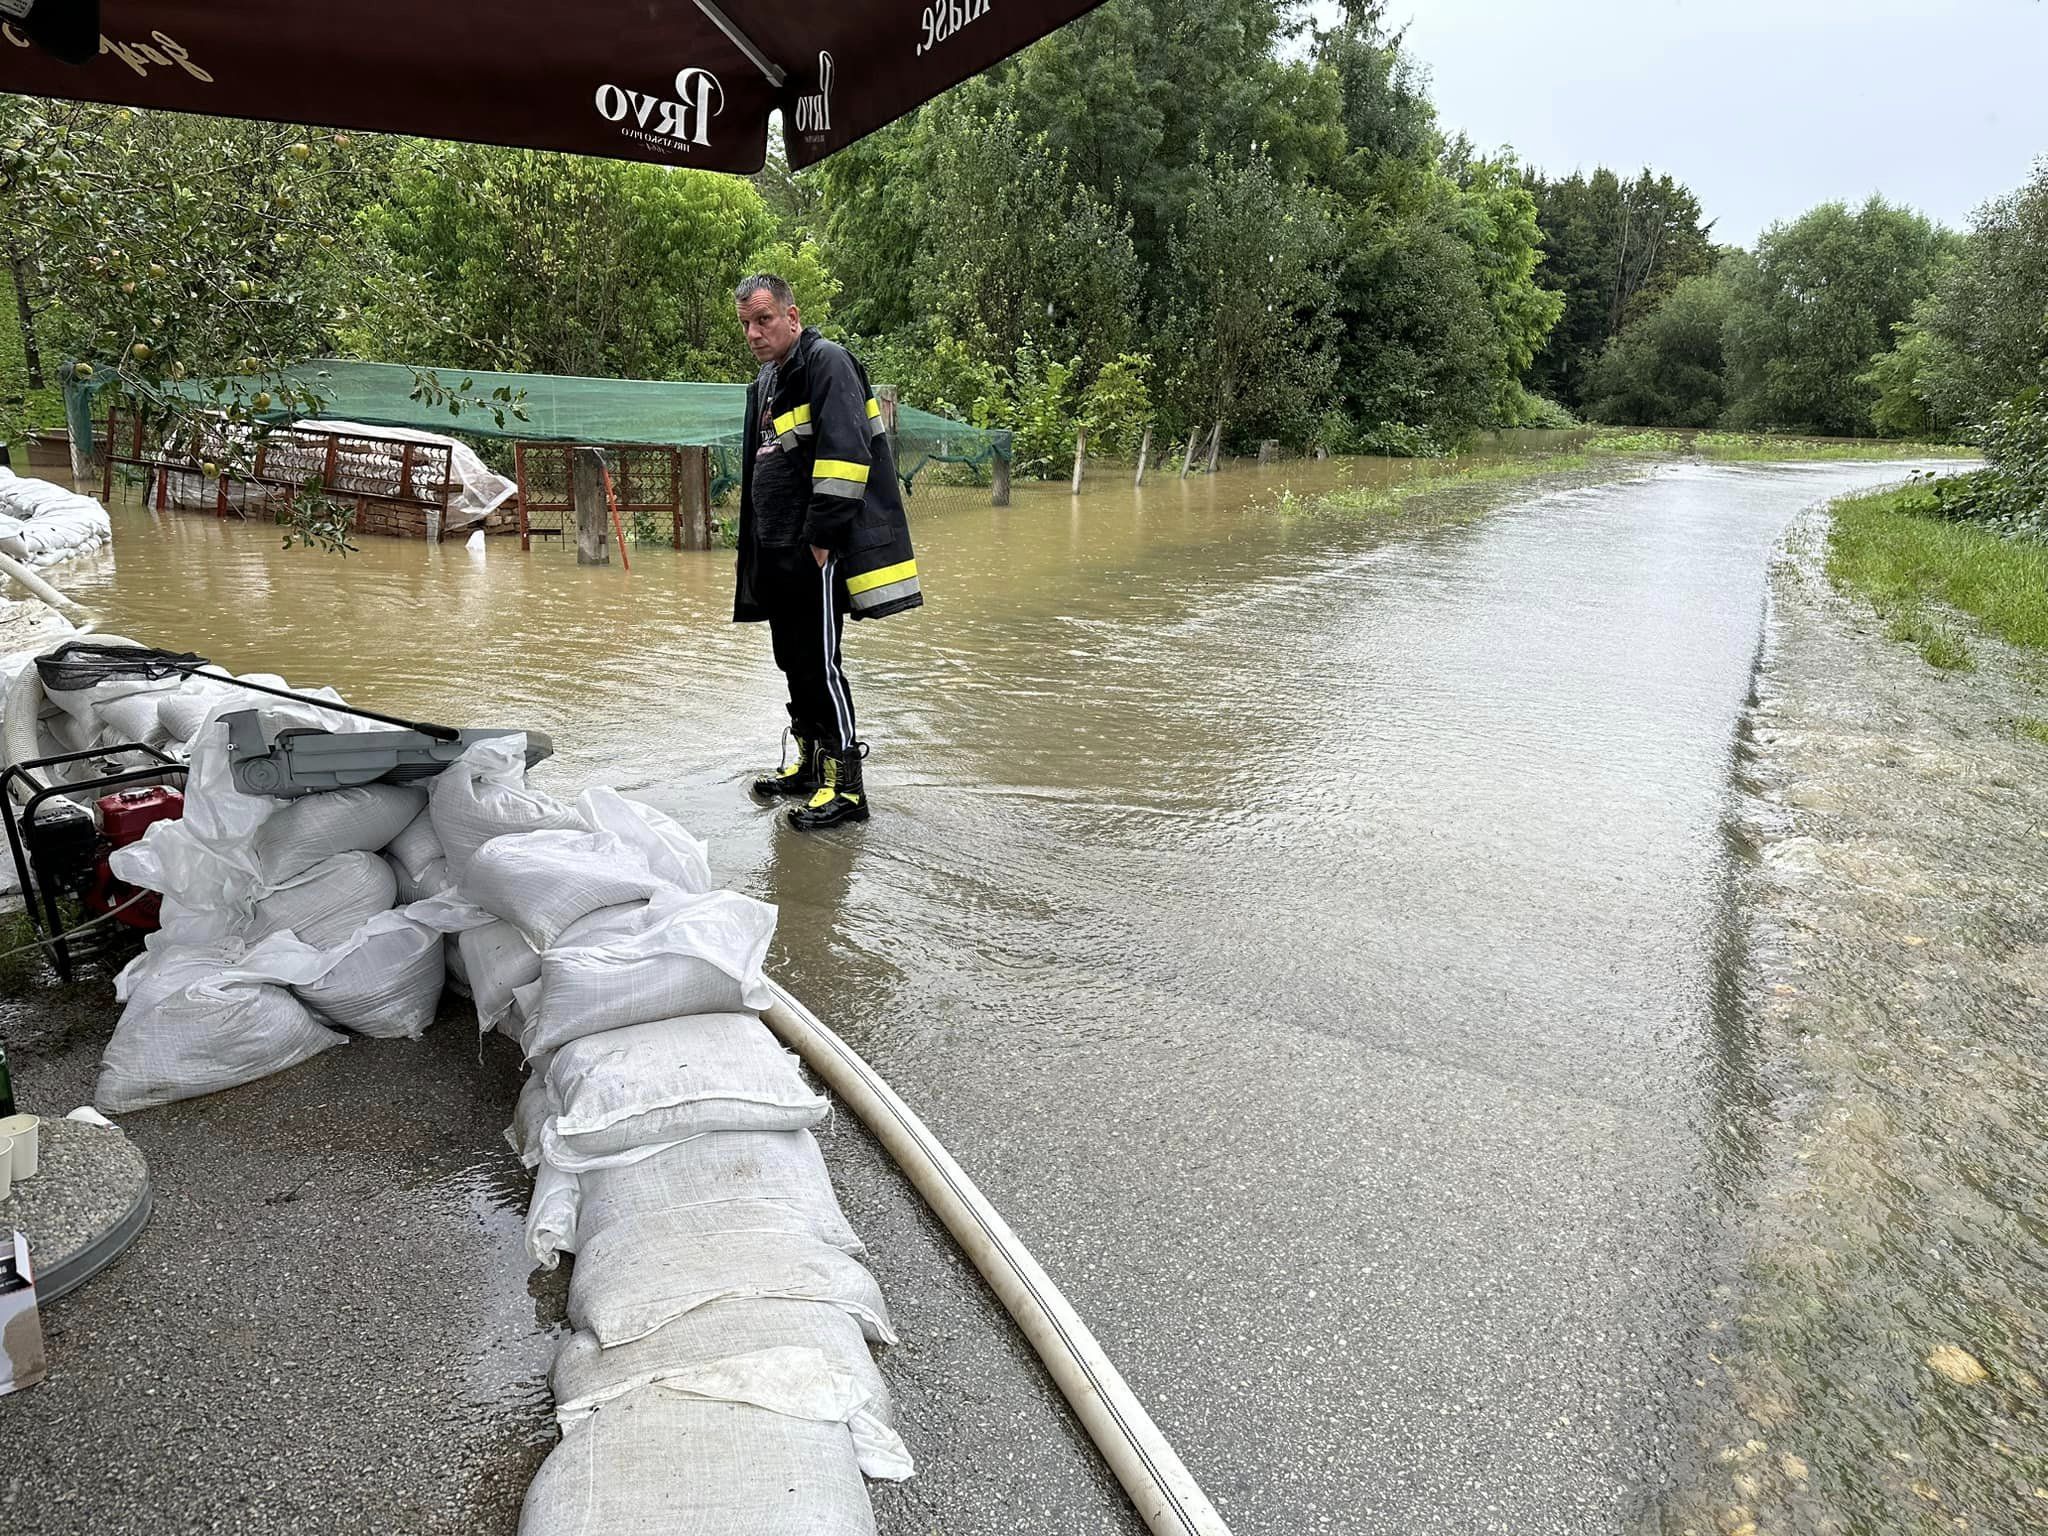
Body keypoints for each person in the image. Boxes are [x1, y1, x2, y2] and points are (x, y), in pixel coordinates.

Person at [732, 274, 921, 830]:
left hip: (812, 549)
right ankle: (812, 768)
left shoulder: (827, 362)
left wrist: (819, 541)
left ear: (793, 316)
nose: (754, 332)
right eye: (746, 323)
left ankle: (848, 788)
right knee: (792, 660)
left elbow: (846, 456)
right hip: (775, 547)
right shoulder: (770, 377)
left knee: (820, 665)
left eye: (764, 319)